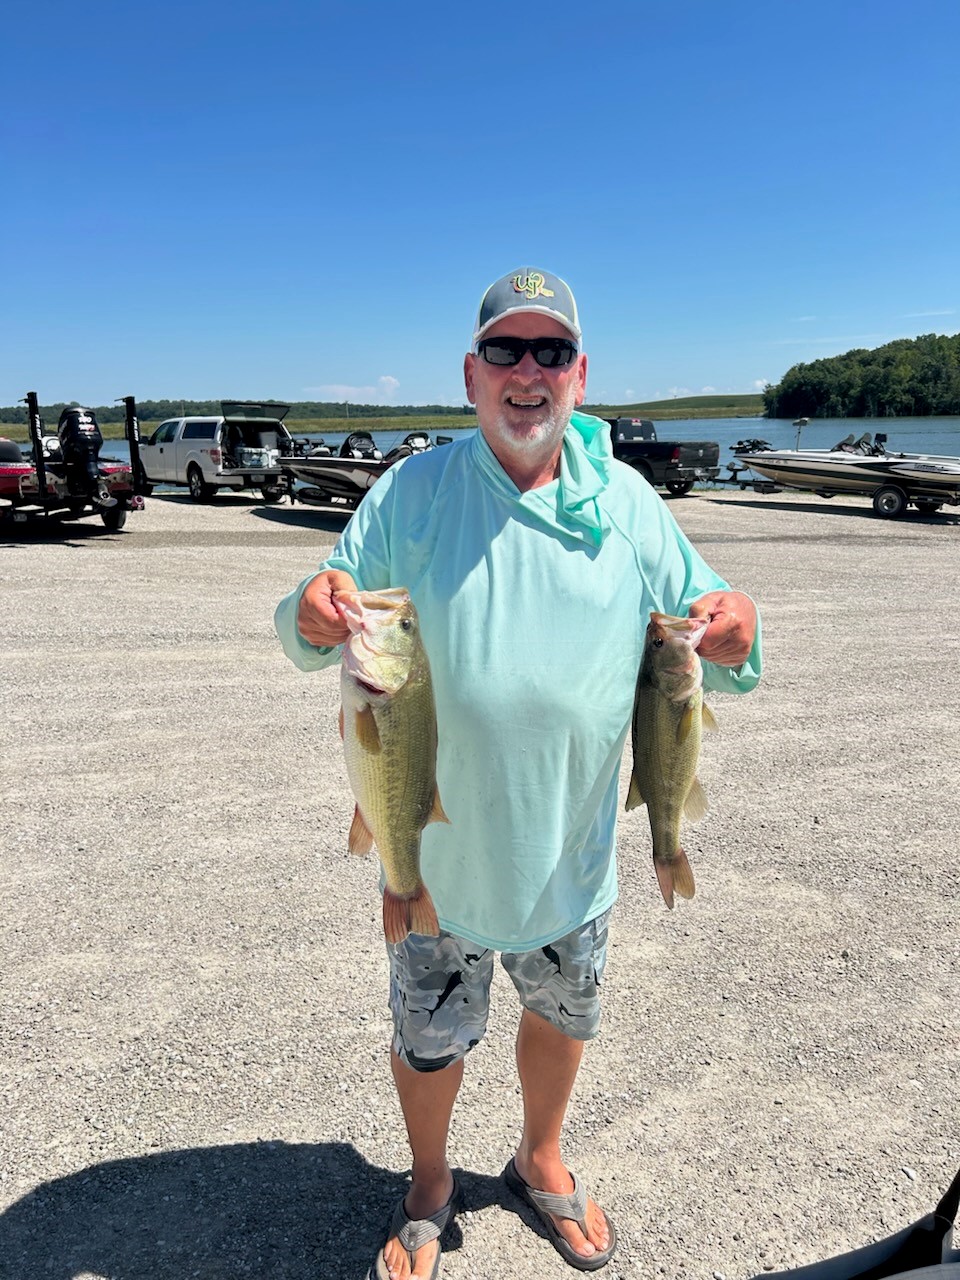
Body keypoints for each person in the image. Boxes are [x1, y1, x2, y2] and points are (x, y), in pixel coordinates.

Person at [275, 268, 761, 1280]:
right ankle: (428, 1177)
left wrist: (737, 623)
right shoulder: (414, 490)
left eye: (550, 352)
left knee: (561, 1013)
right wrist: (312, 608)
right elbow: (317, 613)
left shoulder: (628, 502)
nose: (527, 372)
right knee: (430, 1039)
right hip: (439, 858)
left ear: (579, 377)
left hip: (571, 853)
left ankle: (540, 1153)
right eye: (506, 350)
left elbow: (714, 620)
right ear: (470, 373)